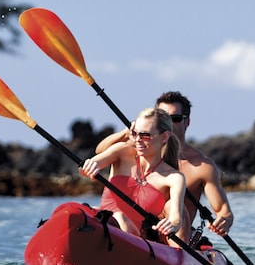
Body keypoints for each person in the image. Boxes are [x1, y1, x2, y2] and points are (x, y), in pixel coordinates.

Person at [95, 91, 234, 237]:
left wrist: (224, 220)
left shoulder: (202, 167)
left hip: (173, 236)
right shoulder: (137, 147)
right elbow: (101, 152)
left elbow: (223, 210)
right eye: (164, 117)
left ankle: (177, 254)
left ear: (187, 122)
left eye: (175, 118)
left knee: (173, 207)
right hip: (135, 230)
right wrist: (126, 133)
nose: (169, 123)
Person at [79, 107, 186, 246]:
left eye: (145, 135)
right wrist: (88, 166)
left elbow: (176, 217)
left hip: (138, 241)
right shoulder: (122, 151)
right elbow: (83, 169)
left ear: (164, 137)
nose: (138, 140)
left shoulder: (174, 178)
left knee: (119, 217)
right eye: (135, 134)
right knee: (81, 210)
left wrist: (172, 225)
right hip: (104, 224)